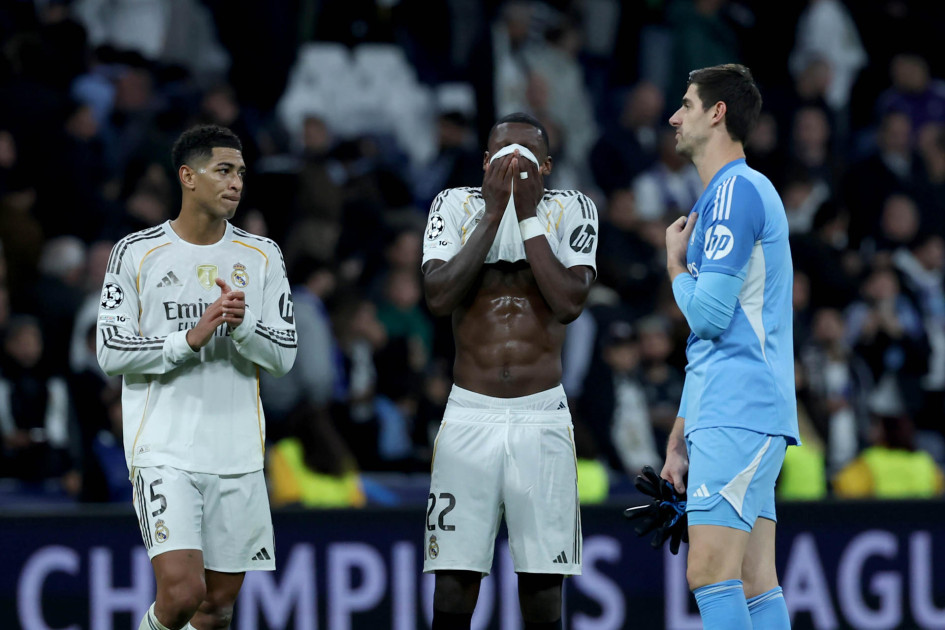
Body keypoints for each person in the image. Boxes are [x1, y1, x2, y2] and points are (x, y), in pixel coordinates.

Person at [96, 124, 297, 630]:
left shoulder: (262, 256)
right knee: (183, 592)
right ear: (187, 176)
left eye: (241, 173)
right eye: (223, 170)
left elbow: (285, 355)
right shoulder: (136, 252)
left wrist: (241, 324)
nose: (236, 183)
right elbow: (111, 350)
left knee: (217, 607)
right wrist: (188, 340)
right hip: (165, 448)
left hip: (238, 453)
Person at [420, 112, 598, 629]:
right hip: (468, 415)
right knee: (453, 586)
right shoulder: (454, 206)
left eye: (526, 155)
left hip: (541, 416)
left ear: (546, 166)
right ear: (484, 164)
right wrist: (494, 212)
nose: (513, 162)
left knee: (543, 590)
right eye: (502, 153)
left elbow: (568, 301)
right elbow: (439, 295)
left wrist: (526, 217)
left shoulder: (573, 209)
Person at [660, 64, 799, 630]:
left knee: (710, 575)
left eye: (687, 104)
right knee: (753, 579)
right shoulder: (730, 193)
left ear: (718, 113)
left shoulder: (736, 191)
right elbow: (708, 339)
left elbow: (711, 317)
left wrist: (672, 265)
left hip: (739, 411)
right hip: (734, 410)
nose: (674, 115)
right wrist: (680, 434)